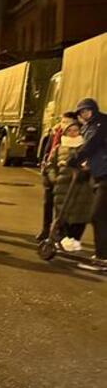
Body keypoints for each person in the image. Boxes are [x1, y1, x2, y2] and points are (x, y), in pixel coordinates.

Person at [68, 98, 107, 270]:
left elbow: (91, 145)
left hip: (105, 176)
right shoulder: (90, 125)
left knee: (98, 216)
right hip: (100, 174)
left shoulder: (100, 124)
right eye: (81, 112)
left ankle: (102, 258)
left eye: (86, 110)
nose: (84, 114)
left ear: (94, 110)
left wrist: (75, 160)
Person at [45, 121, 93, 251]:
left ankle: (74, 240)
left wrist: (86, 171)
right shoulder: (58, 148)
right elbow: (50, 166)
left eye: (76, 130)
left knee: (79, 217)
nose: (72, 133)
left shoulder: (86, 148)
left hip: (81, 188)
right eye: (69, 131)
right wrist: (54, 179)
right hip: (62, 188)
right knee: (62, 216)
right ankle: (61, 240)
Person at [38, 111, 79, 241]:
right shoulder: (55, 133)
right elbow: (48, 149)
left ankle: (57, 232)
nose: (64, 124)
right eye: (63, 121)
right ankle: (45, 229)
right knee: (47, 203)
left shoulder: (75, 139)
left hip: (64, 178)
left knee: (60, 206)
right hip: (50, 172)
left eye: (67, 122)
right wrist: (44, 163)